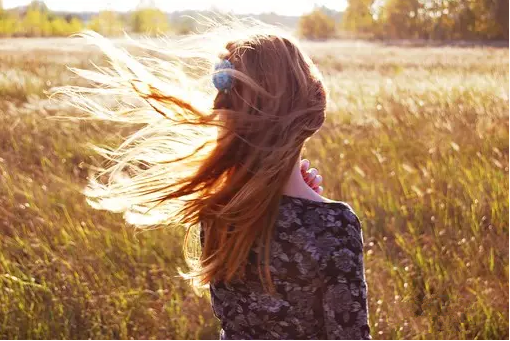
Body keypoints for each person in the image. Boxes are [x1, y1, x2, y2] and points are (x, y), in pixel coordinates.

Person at [56, 18, 371, 340]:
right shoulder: (334, 224)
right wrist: (317, 210)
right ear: (311, 106)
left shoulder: (219, 211)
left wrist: (302, 199)